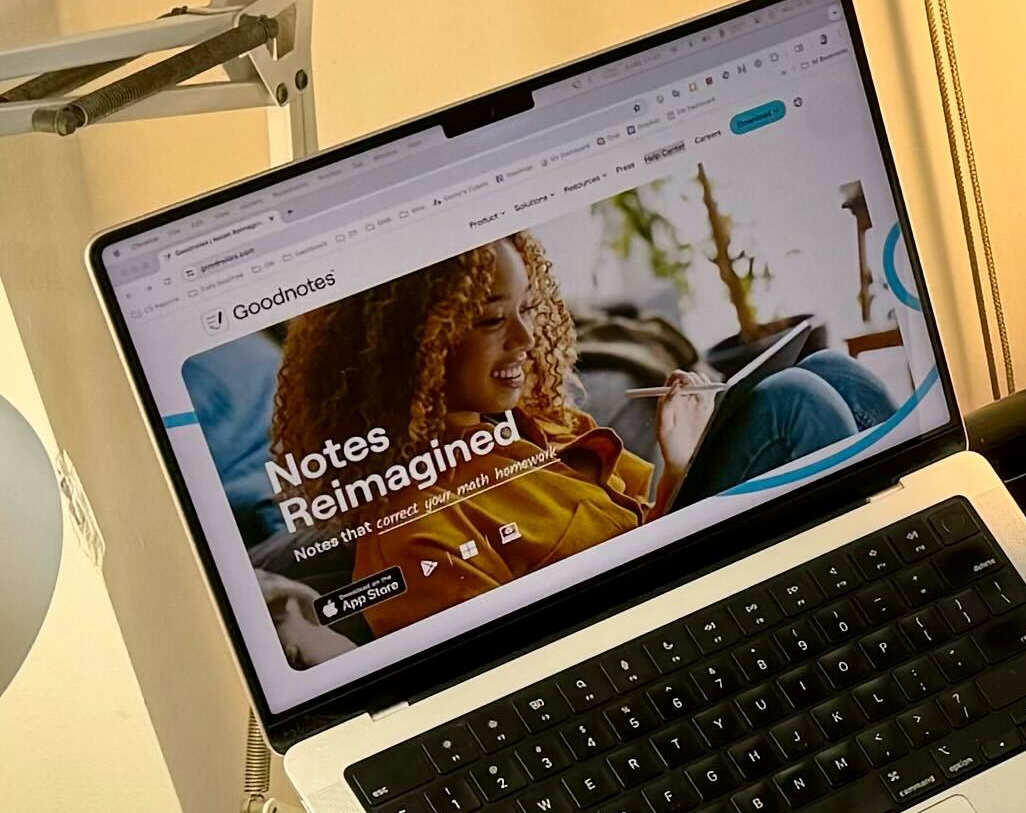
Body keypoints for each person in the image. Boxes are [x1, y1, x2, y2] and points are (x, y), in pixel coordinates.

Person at [265, 234, 716, 644]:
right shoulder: (418, 535)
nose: (526, 337)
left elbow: (638, 539)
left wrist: (681, 471)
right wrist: (684, 476)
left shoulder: (539, 424)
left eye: (527, 308)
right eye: (493, 319)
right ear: (410, 346)